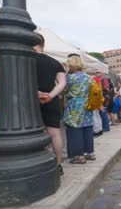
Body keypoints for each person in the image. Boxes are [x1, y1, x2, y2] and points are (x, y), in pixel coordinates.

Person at [34, 35, 67, 176]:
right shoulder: (55, 62)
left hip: (31, 101)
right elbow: (62, 83)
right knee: (55, 133)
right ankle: (58, 164)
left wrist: (37, 93)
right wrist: (50, 95)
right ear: (43, 44)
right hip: (51, 100)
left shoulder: (25, 60)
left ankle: (38, 163)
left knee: (35, 133)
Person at [63, 56, 95, 164]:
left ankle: (78, 156)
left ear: (72, 65)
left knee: (74, 129)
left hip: (74, 105)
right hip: (87, 105)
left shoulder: (70, 78)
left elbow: (63, 90)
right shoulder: (89, 78)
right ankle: (89, 152)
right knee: (87, 128)